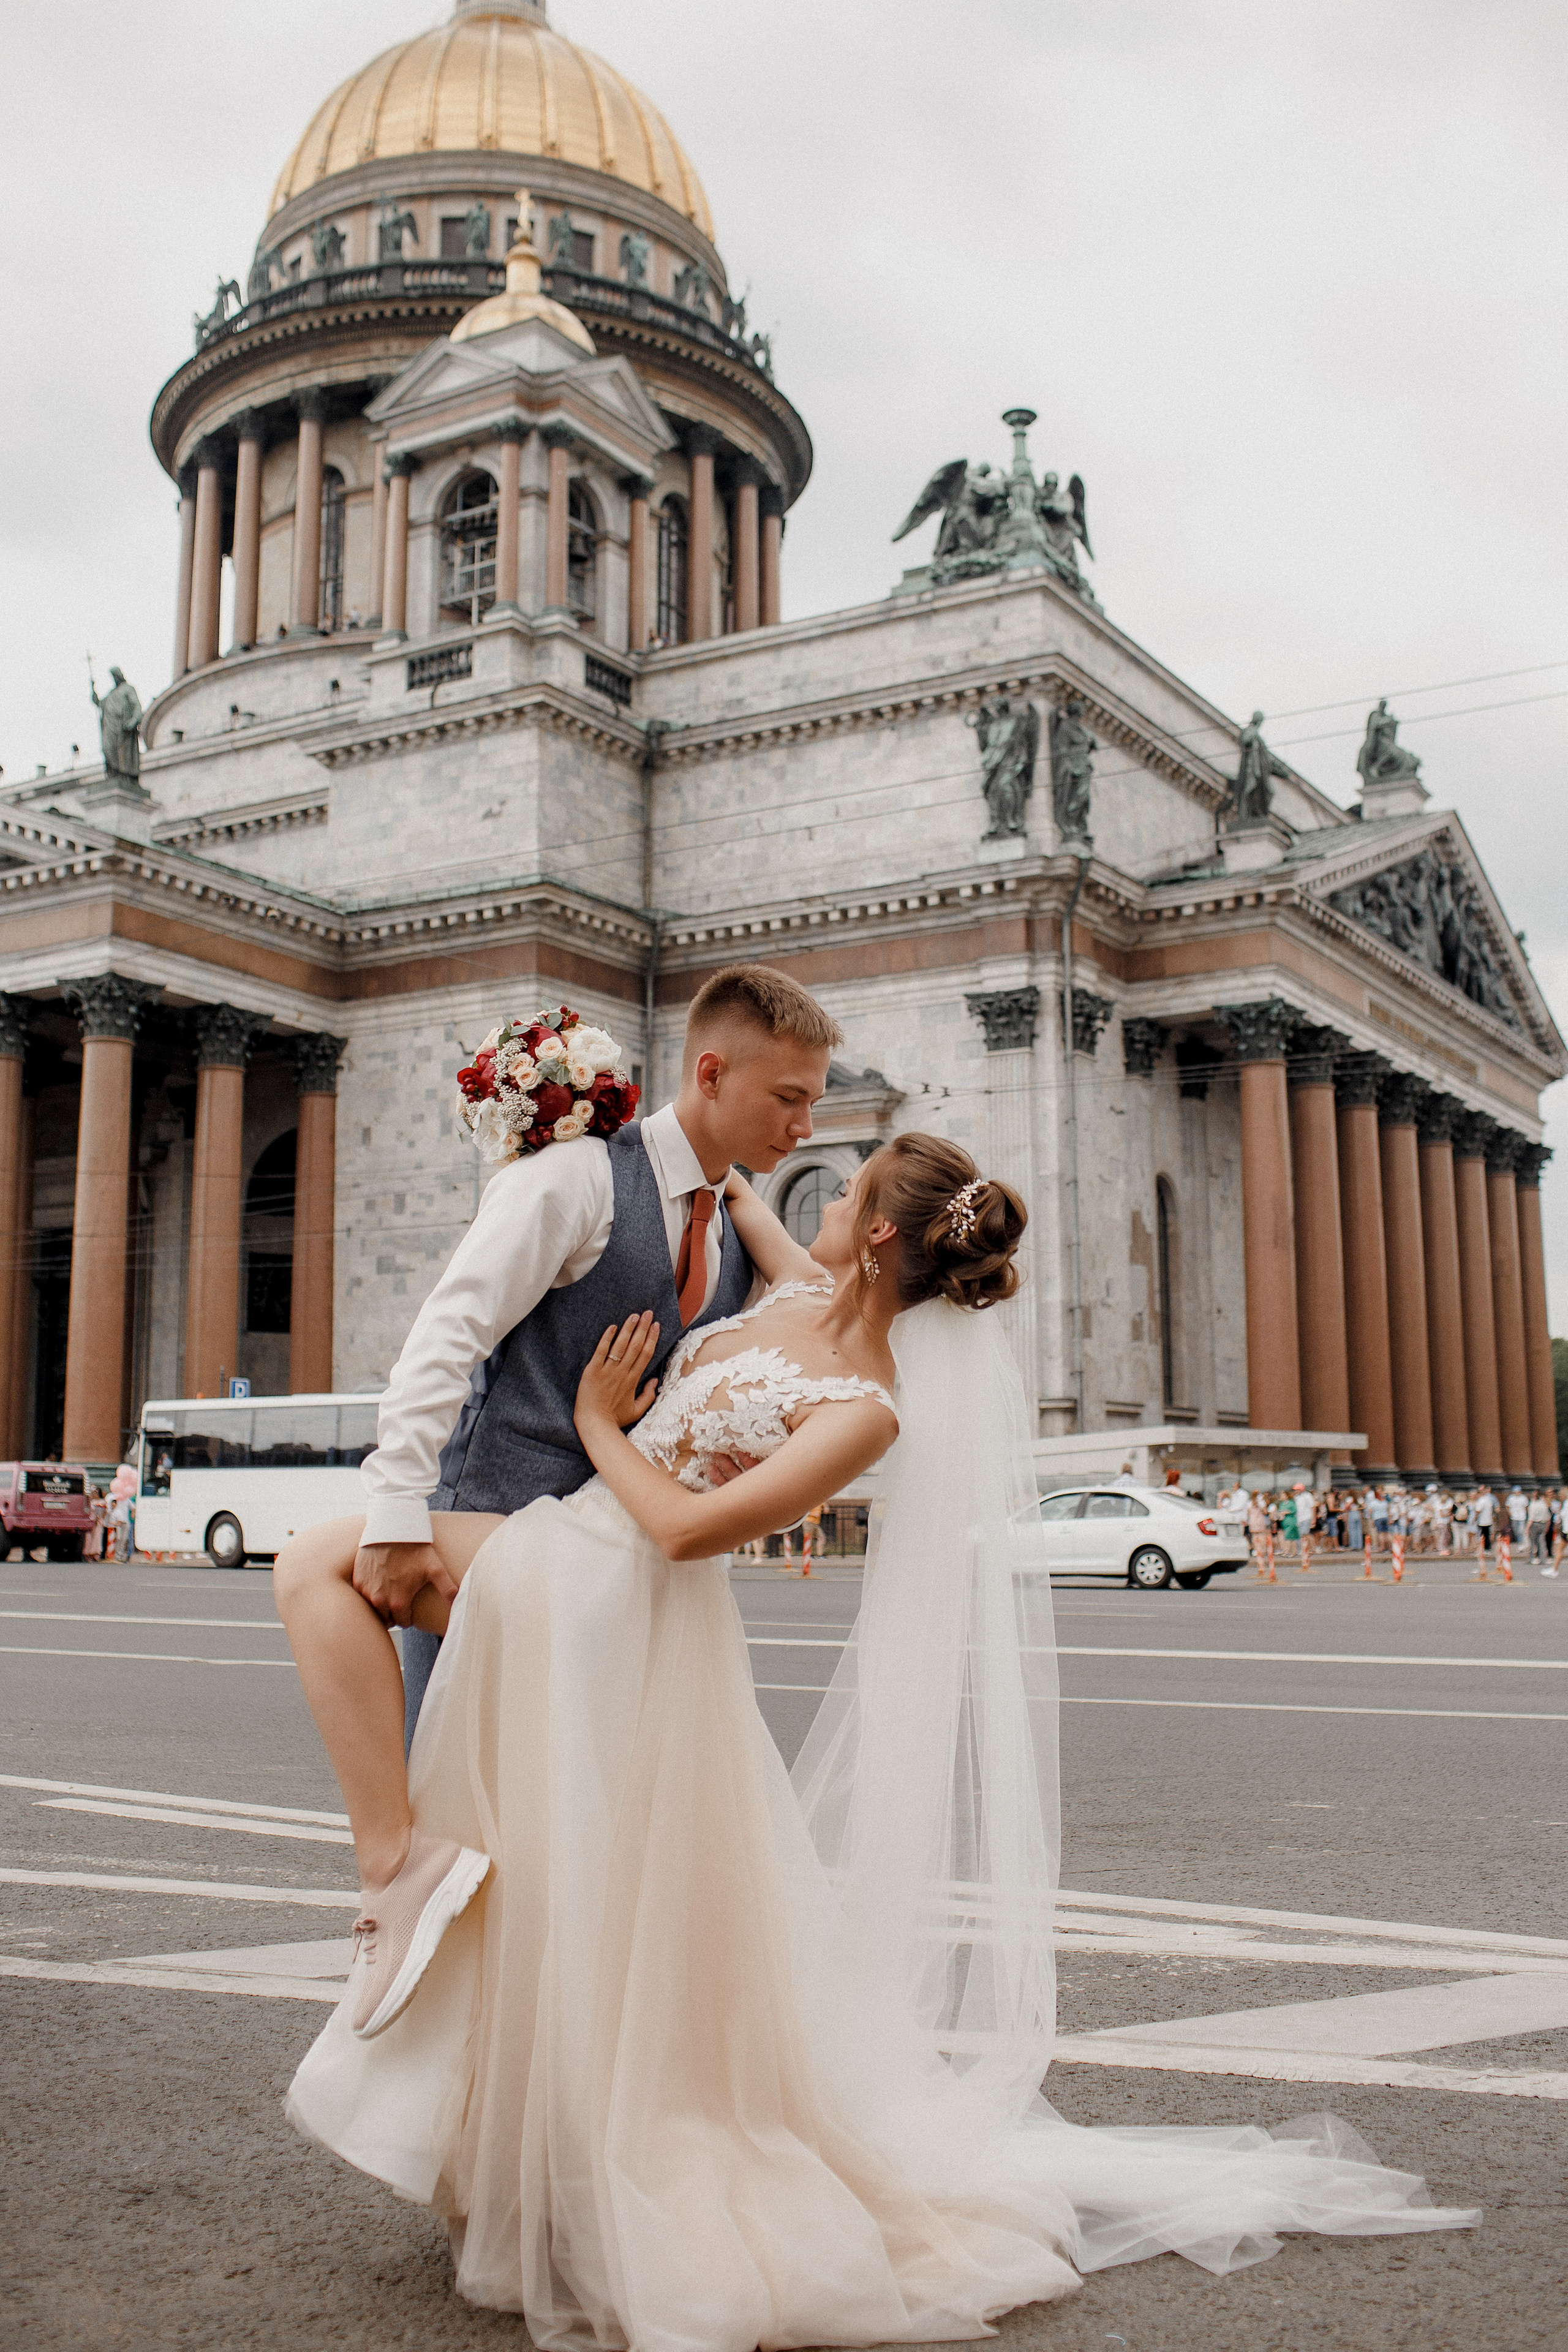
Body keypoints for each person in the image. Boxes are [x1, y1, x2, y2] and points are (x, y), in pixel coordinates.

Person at [274, 1130, 1474, 2337]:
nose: (827, 1195)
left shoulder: (867, 1411)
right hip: (596, 1576)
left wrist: (595, 1423)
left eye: (847, 1192)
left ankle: (399, 1875)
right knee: (588, 1901)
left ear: (885, 1234)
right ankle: (523, 2148)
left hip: (616, 1576)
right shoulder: (800, 1286)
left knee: (320, 1571)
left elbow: (691, 1535)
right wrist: (561, 1129)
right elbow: (724, 1184)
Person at [373, 964, 841, 1750]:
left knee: (572, 1817)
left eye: (813, 1104)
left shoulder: (732, 1232)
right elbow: (448, 1333)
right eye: (787, 1098)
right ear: (712, 1074)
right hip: (485, 1537)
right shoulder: (577, 1175)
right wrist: (393, 1518)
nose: (804, 1129)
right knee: (459, 1801)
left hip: (614, 1565)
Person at [1526, 1490, 1551, 1565]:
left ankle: (1533, 1558)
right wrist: (1547, 1527)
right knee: (1541, 1542)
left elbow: (1531, 1518)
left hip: (1534, 1524)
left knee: (1533, 1543)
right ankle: (1543, 1558)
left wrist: (1527, 1528)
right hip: (1543, 1524)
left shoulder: (1533, 1505)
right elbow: (1548, 1518)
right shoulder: (1544, 1505)